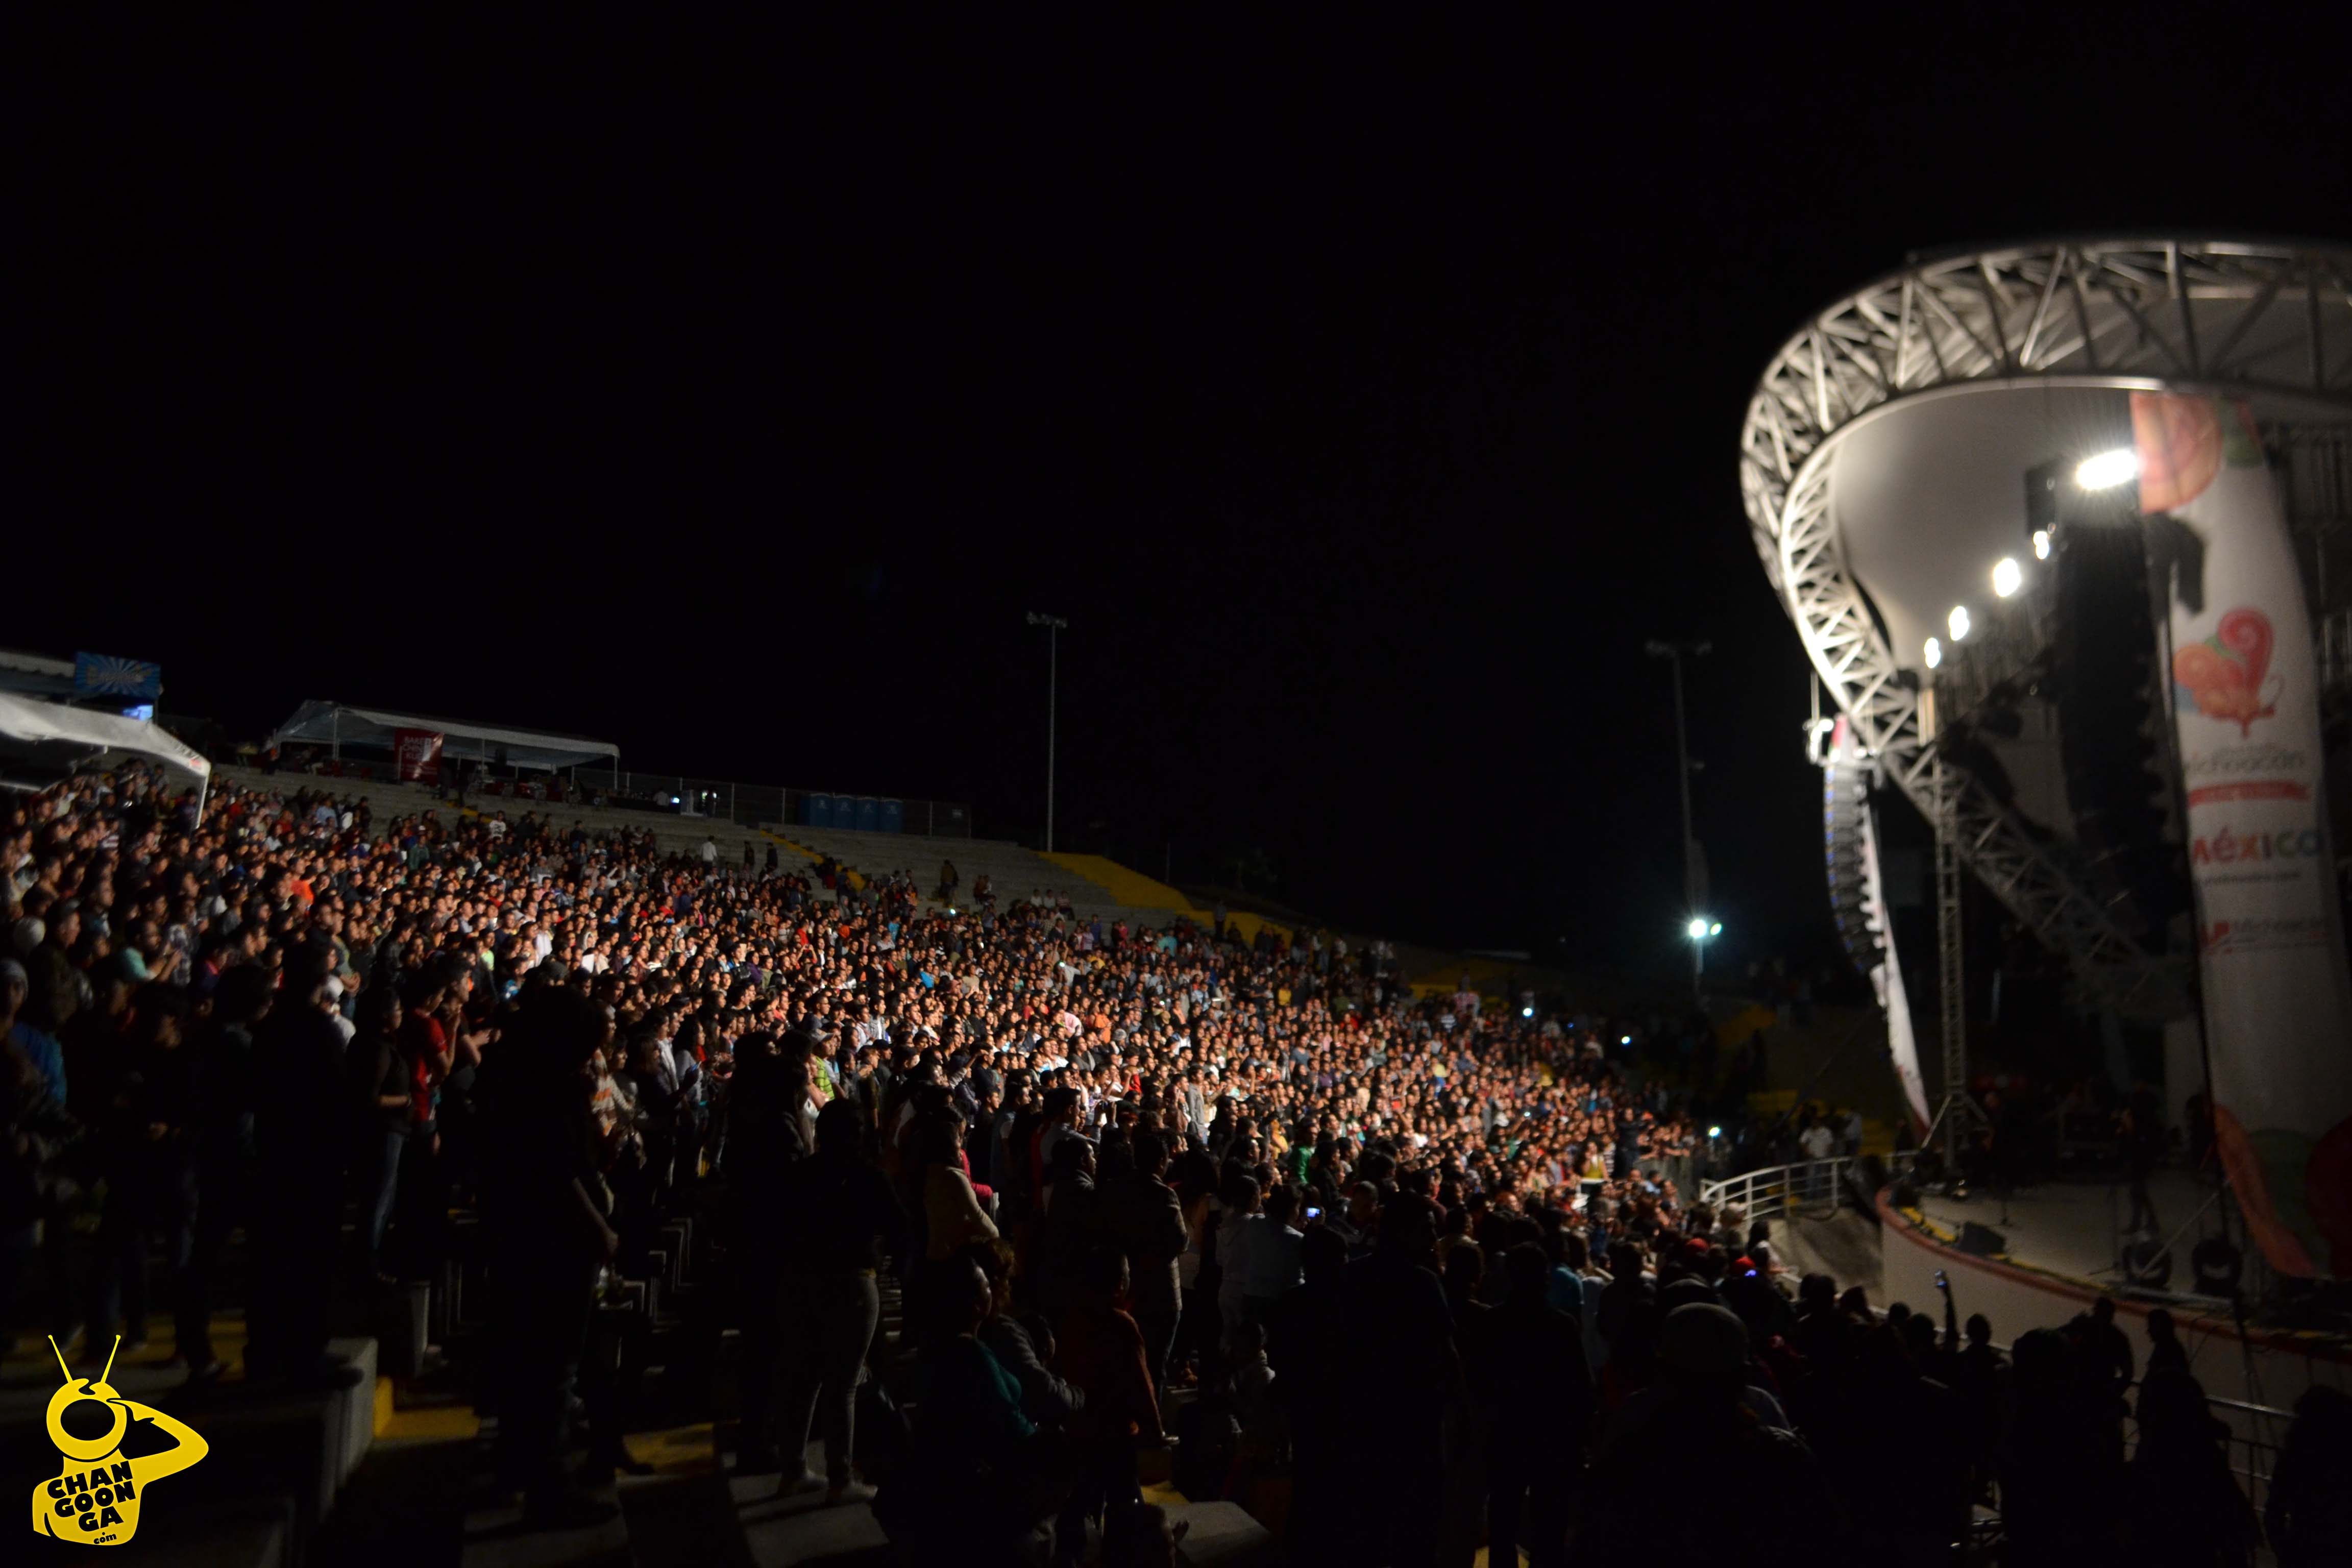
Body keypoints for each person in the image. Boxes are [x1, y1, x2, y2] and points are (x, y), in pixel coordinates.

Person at [475, 985, 620, 1528]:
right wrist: (600, 1227)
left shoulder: (510, 1072)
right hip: (554, 1239)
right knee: (553, 1364)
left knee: (523, 1356)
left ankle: (517, 1467)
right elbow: (558, 1171)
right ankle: (548, 1488)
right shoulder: (546, 1088)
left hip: (514, 1234)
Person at [771, 1097, 906, 1504]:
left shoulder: (801, 1174)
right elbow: (899, 1228)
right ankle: (840, 1477)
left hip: (803, 1280)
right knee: (843, 1385)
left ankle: (793, 1470)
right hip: (852, 1281)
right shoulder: (868, 1176)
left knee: (806, 1379)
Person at [247, 946, 362, 1390]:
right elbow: (338, 1096)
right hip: (315, 1160)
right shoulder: (320, 1030)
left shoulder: (270, 1028)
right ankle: (304, 1355)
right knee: (309, 1259)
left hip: (276, 1154)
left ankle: (265, 1353)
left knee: (273, 1258)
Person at [2266, 1385, 2352, 1566]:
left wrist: (2283, 1550)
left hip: (2301, 1546)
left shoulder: (2294, 1456)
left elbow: (2275, 1509)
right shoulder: (2343, 1459)